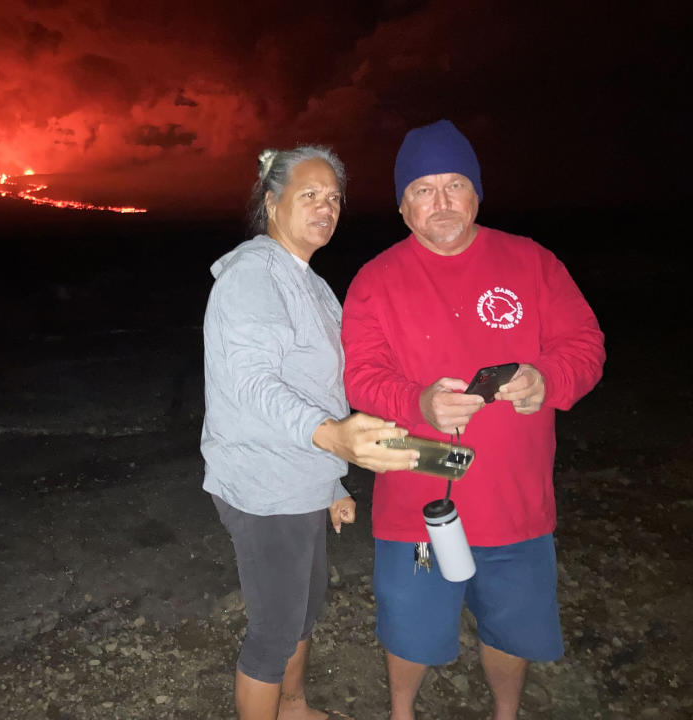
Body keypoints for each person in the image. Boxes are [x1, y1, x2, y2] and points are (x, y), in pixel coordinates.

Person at [341, 119, 605, 720]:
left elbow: (584, 343)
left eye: (454, 184)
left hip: (517, 503)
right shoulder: (375, 281)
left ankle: (504, 714)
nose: (441, 202)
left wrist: (551, 380)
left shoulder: (532, 262)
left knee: (512, 628)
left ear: (476, 193)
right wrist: (418, 402)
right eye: (424, 189)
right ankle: (401, 713)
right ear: (403, 205)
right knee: (409, 626)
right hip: (415, 502)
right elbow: (360, 375)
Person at [202, 146, 420, 720]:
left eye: (334, 198)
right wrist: (333, 440)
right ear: (272, 203)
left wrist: (330, 485)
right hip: (261, 486)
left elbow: (320, 389)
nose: (327, 208)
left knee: (304, 609)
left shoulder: (314, 285)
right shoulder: (252, 276)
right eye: (309, 195)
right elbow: (252, 382)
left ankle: (293, 708)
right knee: (275, 630)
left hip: (301, 480)